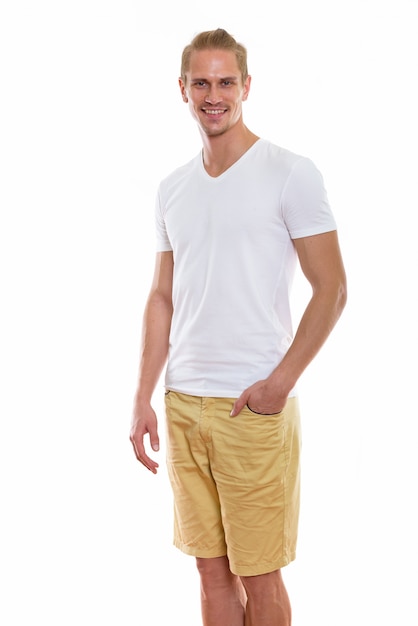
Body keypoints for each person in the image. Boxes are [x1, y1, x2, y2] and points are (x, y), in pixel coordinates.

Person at [130, 28, 347, 626]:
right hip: (183, 404)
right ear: (182, 90)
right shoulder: (172, 189)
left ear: (246, 87)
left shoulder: (289, 173)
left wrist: (279, 384)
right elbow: (160, 297)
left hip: (251, 409)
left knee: (260, 573)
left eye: (226, 81)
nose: (214, 94)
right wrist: (144, 396)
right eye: (201, 82)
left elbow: (332, 289)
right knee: (210, 572)